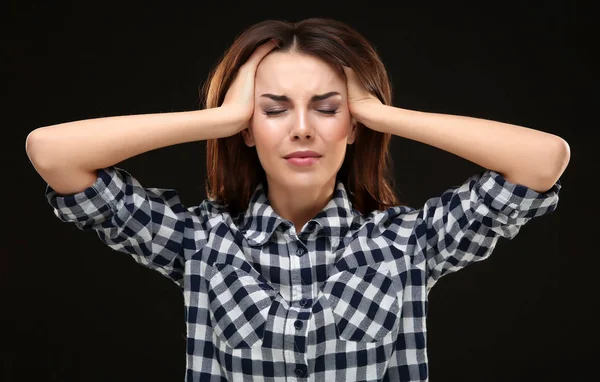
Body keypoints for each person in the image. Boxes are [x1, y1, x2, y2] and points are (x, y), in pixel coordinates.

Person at [26, 17, 568, 382]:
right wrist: (217, 119)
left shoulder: (409, 242)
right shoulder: (199, 241)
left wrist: (381, 114)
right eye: (275, 108)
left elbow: (542, 161)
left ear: (353, 124)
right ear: (247, 126)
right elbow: (51, 153)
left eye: (329, 108)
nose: (303, 129)